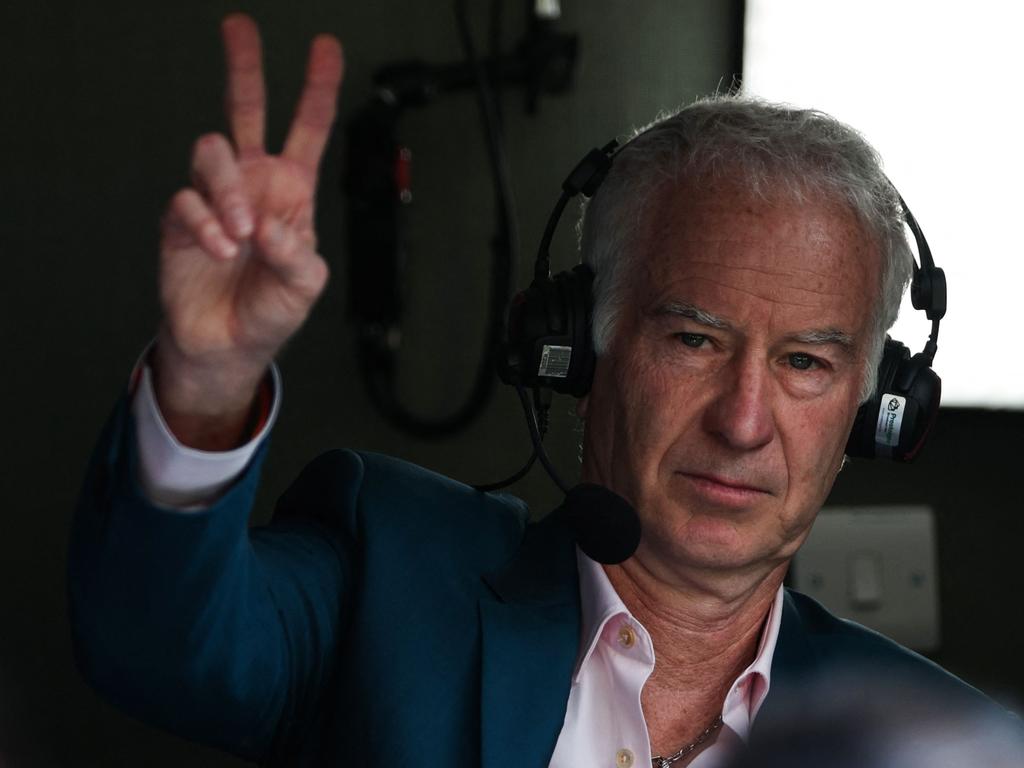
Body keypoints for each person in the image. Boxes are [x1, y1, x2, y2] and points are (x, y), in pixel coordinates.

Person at [69, 12, 1005, 768]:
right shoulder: (387, 572)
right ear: (577, 350)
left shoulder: (922, 742)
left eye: (806, 362)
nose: (744, 421)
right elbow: (157, 652)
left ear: (874, 407)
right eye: (693, 339)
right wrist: (205, 382)